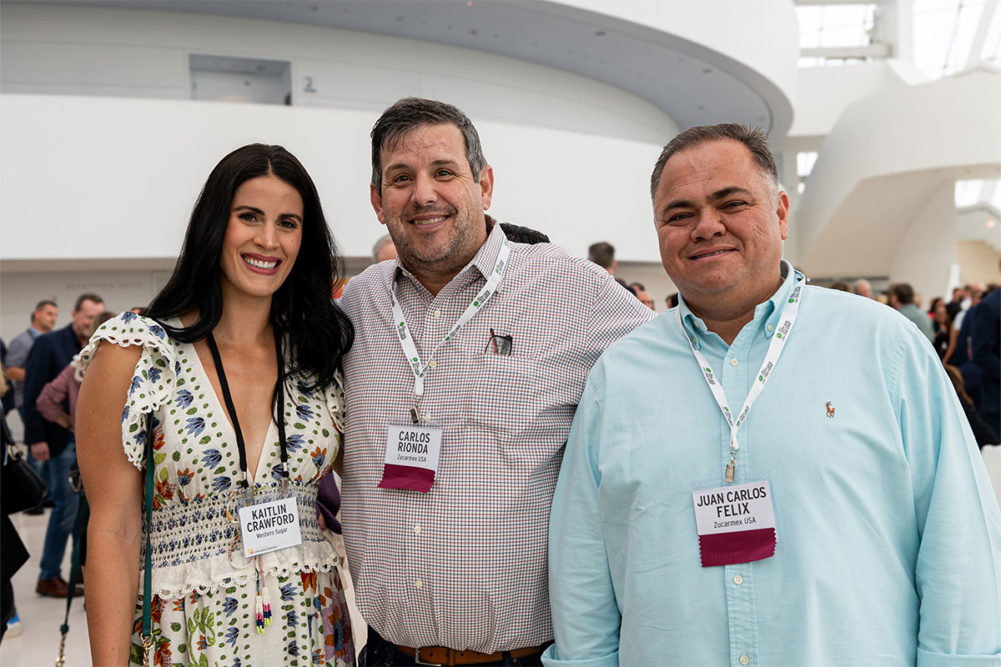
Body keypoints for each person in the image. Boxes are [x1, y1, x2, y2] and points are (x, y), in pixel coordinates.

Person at [544, 124, 1001, 666]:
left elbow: (958, 542)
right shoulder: (618, 375)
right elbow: (583, 560)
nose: (705, 227)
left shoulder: (884, 348)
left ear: (781, 212)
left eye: (731, 203)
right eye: (679, 213)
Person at [339, 97, 653, 666]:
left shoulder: (572, 290)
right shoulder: (359, 304)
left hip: (525, 656)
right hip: (388, 654)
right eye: (401, 178)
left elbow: (673, 380)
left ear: (484, 185)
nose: (423, 194)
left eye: (444, 172)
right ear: (377, 199)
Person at [75, 144, 355, 666]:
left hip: (313, 639)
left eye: (287, 223)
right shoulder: (137, 352)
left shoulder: (319, 355)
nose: (268, 240)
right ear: (213, 224)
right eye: (249, 216)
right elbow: (112, 529)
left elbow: (372, 497)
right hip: (184, 642)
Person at [22, 292, 104, 598]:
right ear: (74, 314)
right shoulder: (49, 344)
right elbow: (34, 394)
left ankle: (75, 575)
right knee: (64, 510)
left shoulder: (95, 344)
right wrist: (36, 438)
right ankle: (48, 575)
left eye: (94, 317)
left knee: (80, 513)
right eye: (86, 316)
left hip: (88, 444)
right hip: (59, 443)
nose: (89, 322)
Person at [5, 299, 58, 419]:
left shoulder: (54, 341)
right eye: (49, 314)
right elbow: (9, 372)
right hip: (29, 401)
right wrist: (42, 376)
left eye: (56, 315)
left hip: (51, 402)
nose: (53, 319)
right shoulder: (21, 341)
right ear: (37, 314)